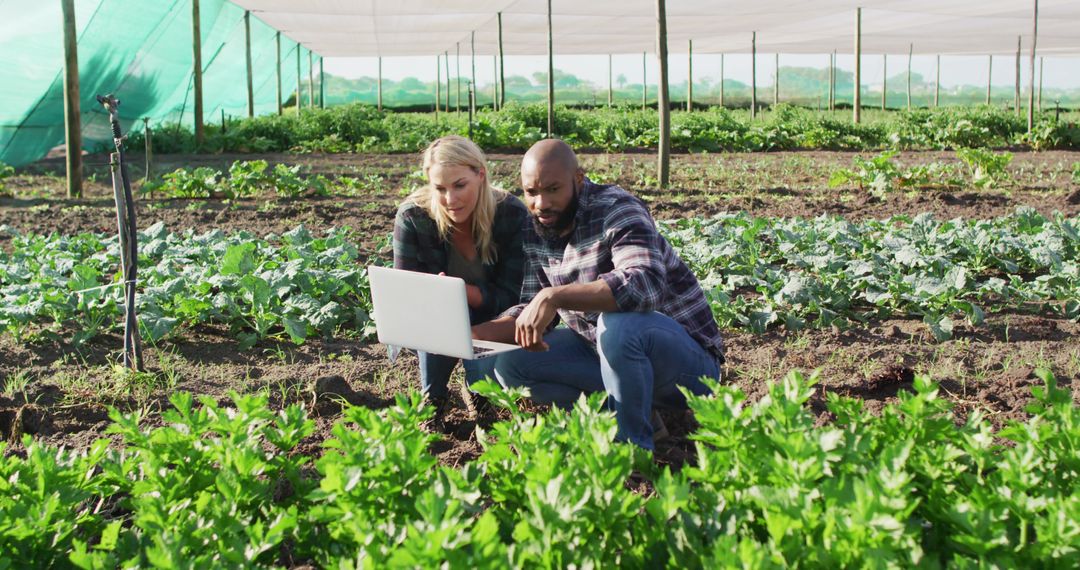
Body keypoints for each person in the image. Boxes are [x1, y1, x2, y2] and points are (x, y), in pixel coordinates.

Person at [472, 139, 725, 450]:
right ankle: (636, 416)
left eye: (553, 189)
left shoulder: (616, 208)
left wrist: (556, 296)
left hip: (688, 368)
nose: (541, 203)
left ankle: (634, 449)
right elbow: (531, 309)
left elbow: (643, 284)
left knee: (618, 326)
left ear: (578, 180)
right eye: (531, 192)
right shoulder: (536, 227)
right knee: (513, 366)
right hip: (606, 355)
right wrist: (469, 336)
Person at [393, 135, 528, 418]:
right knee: (438, 314)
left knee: (484, 376)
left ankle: (479, 394)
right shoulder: (414, 217)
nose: (450, 199)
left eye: (460, 185)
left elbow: (516, 295)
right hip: (437, 323)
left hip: (494, 318)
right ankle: (432, 401)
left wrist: (465, 292)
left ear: (480, 175)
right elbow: (404, 294)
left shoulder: (511, 214)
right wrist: (436, 296)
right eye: (439, 188)